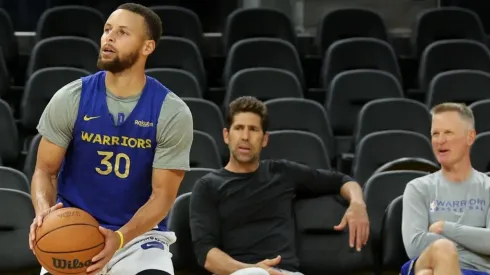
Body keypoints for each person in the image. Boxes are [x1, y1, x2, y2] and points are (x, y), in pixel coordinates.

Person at [28, 3, 193, 275]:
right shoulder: (71, 97)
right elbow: (44, 171)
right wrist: (45, 215)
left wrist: (119, 238)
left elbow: (162, 197)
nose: (109, 37)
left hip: (138, 237)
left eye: (122, 32)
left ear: (147, 47)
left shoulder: (171, 112)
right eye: (107, 30)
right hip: (73, 230)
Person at [189, 96, 369, 275]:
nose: (245, 136)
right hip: (236, 273)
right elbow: (206, 254)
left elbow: (342, 180)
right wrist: (252, 270)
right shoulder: (207, 187)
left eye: (253, 129)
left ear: (265, 139)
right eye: (239, 128)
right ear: (226, 136)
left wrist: (357, 204)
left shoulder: (282, 172)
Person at [401, 102, 490, 275]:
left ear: (470, 137)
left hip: (478, 272)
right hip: (428, 261)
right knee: (442, 250)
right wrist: (473, 244)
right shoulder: (418, 188)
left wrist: (445, 227)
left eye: (448, 133)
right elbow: (414, 246)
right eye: (435, 134)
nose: (440, 141)